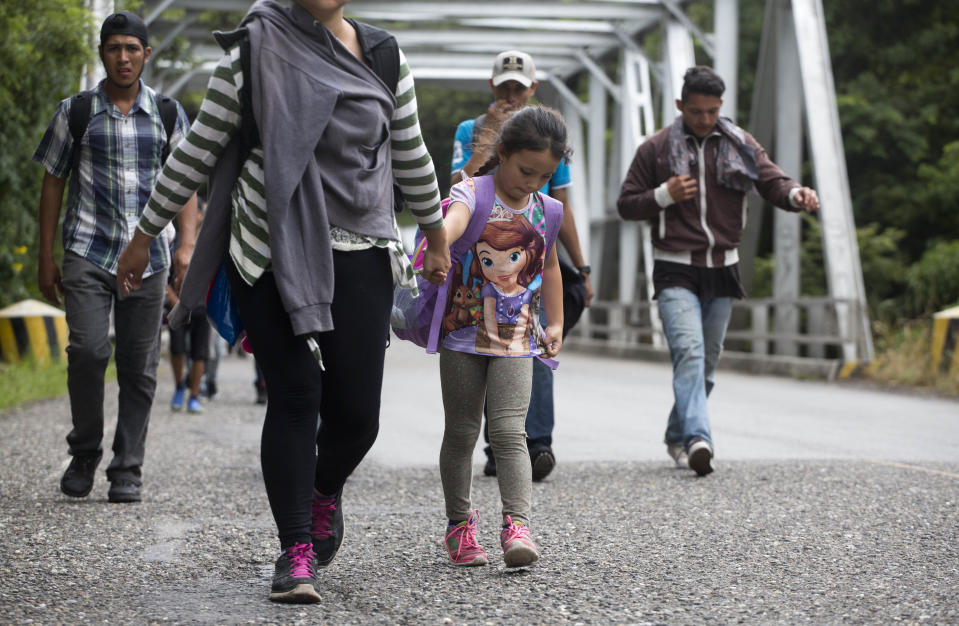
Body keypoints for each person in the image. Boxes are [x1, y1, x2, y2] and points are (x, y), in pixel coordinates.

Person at [115, 0, 448, 603]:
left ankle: (322, 490)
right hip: (270, 242)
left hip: (362, 241)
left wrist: (436, 230)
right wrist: (144, 237)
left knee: (358, 415)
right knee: (296, 393)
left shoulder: (384, 55)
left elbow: (410, 149)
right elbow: (196, 153)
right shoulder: (252, 49)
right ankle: (295, 548)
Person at [616, 66, 819, 476]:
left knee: (705, 366)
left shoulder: (741, 144)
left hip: (722, 269)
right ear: (680, 106)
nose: (704, 119)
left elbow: (772, 182)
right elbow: (626, 204)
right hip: (674, 268)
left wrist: (797, 194)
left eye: (711, 111)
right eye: (695, 112)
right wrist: (663, 194)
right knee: (689, 354)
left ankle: (677, 435)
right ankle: (698, 439)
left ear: (720, 107)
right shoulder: (655, 149)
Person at [33, 11, 197, 504]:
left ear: (147, 54)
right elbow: (53, 183)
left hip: (149, 258)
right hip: (89, 250)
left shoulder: (168, 114)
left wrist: (186, 244)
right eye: (113, 48)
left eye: (132, 48)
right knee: (87, 350)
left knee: (138, 365)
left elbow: (185, 183)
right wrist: (46, 256)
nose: (123, 57)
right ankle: (85, 450)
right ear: (102, 54)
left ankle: (127, 467)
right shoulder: (76, 112)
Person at [450, 50, 594, 482]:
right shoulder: (470, 129)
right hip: (485, 264)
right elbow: (460, 188)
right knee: (489, 345)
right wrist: (492, 140)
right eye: (505, 86)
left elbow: (561, 206)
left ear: (533, 88)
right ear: (493, 87)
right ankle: (499, 445)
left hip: (534, 255)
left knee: (536, 345)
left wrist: (581, 266)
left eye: (520, 86)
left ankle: (537, 443)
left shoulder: (551, 138)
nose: (512, 93)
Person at [439, 105, 567, 568]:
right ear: (504, 153)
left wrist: (555, 323)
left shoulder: (546, 210)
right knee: (462, 430)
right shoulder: (473, 192)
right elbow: (454, 221)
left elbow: (550, 265)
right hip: (463, 335)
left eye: (544, 174)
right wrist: (440, 240)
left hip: (517, 338)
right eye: (525, 170)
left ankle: (518, 525)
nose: (531, 182)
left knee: (511, 430)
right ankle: (459, 525)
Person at [165, 280, 209, 413]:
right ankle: (179, 387)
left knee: (200, 353)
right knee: (177, 349)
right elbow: (164, 274)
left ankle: (194, 396)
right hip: (177, 304)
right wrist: (172, 298)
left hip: (202, 306)